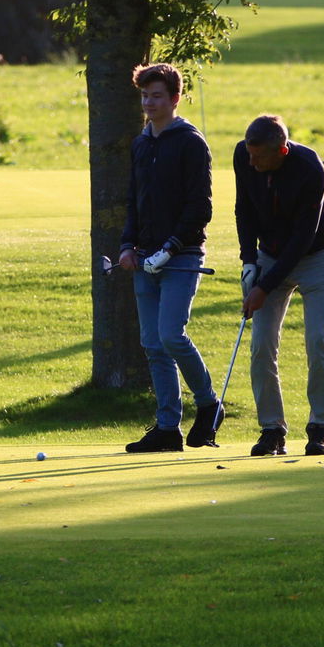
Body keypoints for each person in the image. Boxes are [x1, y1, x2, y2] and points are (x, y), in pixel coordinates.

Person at [117, 63, 222, 452]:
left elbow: (200, 206)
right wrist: (128, 245)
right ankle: (166, 427)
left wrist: (171, 247)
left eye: (157, 96)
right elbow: (134, 202)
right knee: (152, 343)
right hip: (144, 257)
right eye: (145, 96)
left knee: (171, 336)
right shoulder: (141, 143)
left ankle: (209, 404)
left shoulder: (190, 142)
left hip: (182, 255)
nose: (149, 103)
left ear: (175, 98)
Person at [234, 114, 324, 457]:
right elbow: (244, 210)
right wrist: (249, 263)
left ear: (282, 150)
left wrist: (264, 287)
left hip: (315, 256)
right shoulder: (244, 156)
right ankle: (272, 430)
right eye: (248, 154)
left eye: (259, 157)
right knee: (261, 344)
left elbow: (302, 237)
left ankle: (320, 428)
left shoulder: (310, 168)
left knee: (318, 339)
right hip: (267, 256)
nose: (251, 162)